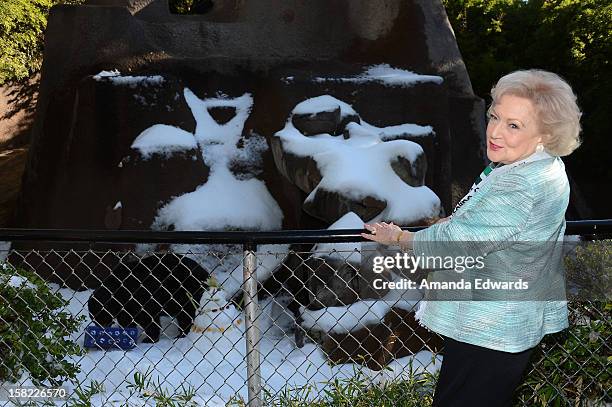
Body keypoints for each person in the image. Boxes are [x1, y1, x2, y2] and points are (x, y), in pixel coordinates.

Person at [362, 69, 581, 407]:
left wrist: (401, 237)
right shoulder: (542, 166)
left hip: (490, 326)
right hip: (509, 320)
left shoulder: (519, 183)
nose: (494, 131)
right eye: (495, 116)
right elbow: (492, 227)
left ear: (545, 134)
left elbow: (457, 241)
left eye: (514, 125)